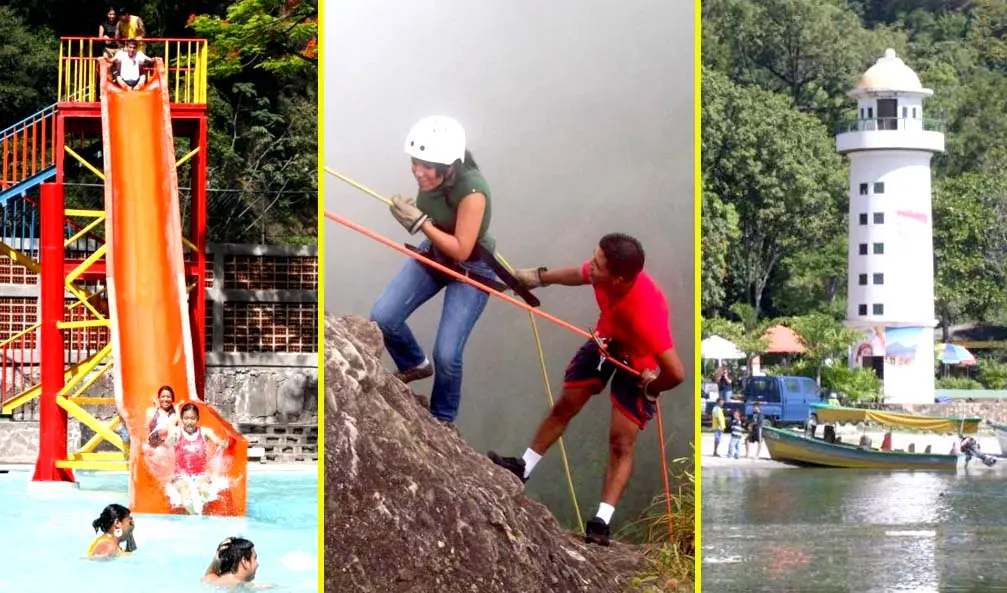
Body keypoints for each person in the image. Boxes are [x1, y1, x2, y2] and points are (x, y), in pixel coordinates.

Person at [487, 233, 685, 546]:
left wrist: (651, 387)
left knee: (621, 441)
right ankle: (523, 466)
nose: (590, 267)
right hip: (607, 340)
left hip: (638, 362)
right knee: (566, 404)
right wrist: (539, 278)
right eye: (593, 259)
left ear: (618, 278)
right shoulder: (603, 273)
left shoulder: (646, 312)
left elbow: (676, 373)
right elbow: (577, 275)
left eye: (597, 264)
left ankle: (601, 521)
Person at [370, 115, 532, 429]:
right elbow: (437, 228)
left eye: (424, 165)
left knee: (446, 353)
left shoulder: (473, 190)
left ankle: (443, 420)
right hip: (435, 254)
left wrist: (421, 224)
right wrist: (419, 221)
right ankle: (414, 364)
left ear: (449, 166)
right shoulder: (430, 180)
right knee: (383, 316)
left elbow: (461, 248)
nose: (416, 171)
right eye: (414, 162)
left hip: (471, 267)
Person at [167, 402, 231, 514]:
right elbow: (169, 442)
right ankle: (190, 509)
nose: (189, 422)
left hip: (200, 473)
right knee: (184, 490)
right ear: (181, 419)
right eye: (186, 418)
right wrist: (171, 440)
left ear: (197, 418)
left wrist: (223, 443)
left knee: (204, 487)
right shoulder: (177, 431)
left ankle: (203, 500)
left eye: (193, 418)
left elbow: (217, 441)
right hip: (180, 474)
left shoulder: (205, 431)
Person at [202, 537, 267, 586]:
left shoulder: (208, 580)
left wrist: (218, 556)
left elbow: (210, 573)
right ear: (244, 561)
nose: (257, 564)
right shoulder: (244, 588)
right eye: (255, 558)